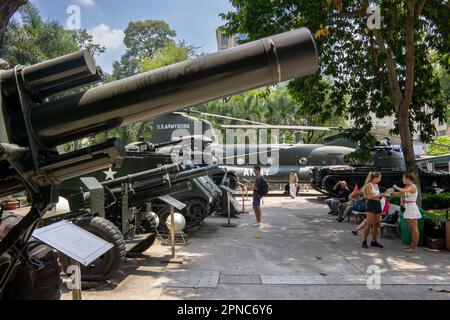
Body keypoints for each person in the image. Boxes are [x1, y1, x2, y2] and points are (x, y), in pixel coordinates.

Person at [392, 173, 422, 252]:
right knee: (411, 229)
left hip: (412, 208)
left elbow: (404, 191)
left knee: (414, 229)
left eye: (403, 178)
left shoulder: (413, 186)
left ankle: (414, 248)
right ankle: (412, 245)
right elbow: (402, 193)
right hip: (408, 208)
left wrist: (396, 187)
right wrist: (391, 193)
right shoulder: (407, 186)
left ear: (408, 179)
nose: (402, 180)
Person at [362, 172, 387, 249]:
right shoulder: (368, 185)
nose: (380, 179)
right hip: (371, 204)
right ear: (375, 178)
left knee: (376, 224)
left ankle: (374, 241)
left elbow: (376, 197)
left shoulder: (376, 185)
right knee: (369, 224)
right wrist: (381, 195)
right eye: (379, 178)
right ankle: (364, 241)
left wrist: (382, 196)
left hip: (377, 204)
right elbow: (369, 197)